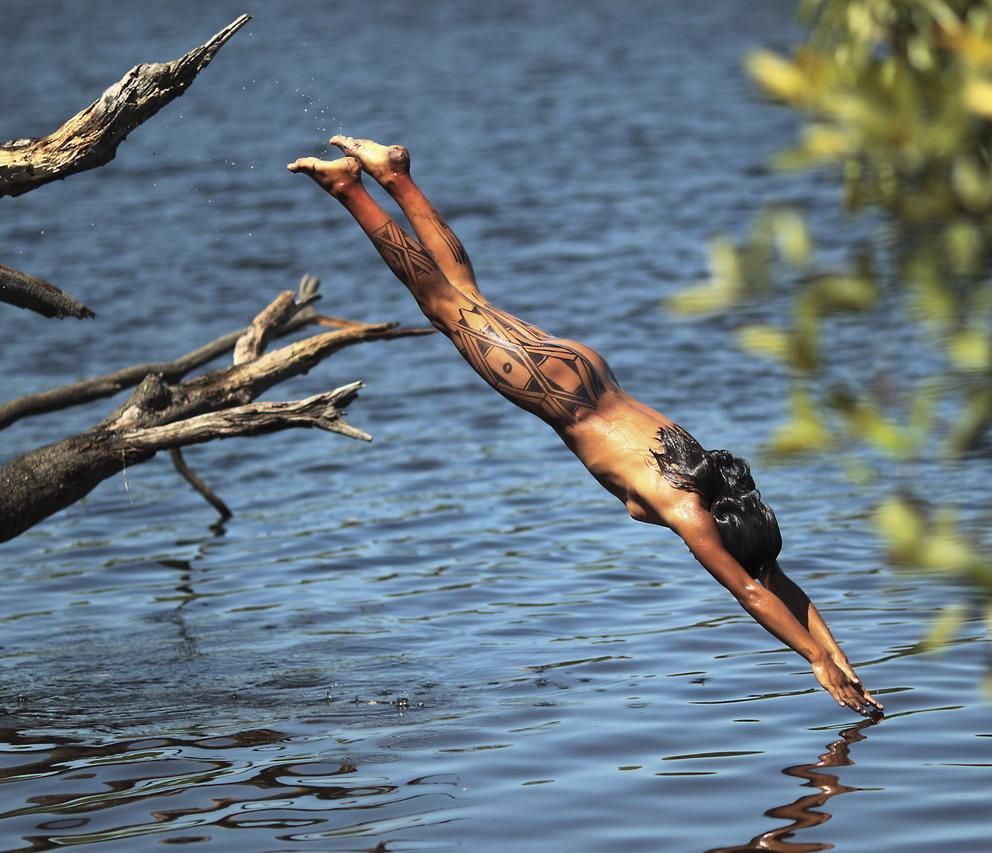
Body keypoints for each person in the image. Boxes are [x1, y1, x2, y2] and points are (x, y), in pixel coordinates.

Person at [289, 137, 882, 718]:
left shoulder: (722, 492)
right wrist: (812, 660)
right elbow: (750, 592)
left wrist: (839, 659)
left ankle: (396, 176)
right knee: (442, 304)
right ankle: (349, 188)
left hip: (587, 371)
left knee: (464, 296)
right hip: (554, 391)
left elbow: (776, 582)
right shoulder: (689, 512)